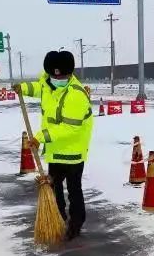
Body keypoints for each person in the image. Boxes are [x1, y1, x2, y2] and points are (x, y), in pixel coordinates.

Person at [12, 50, 94, 240]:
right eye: (54, 75)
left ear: (69, 74)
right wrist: (22, 88)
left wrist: (41, 137)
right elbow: (38, 88)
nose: (58, 78)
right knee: (54, 188)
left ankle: (75, 224)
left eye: (62, 76)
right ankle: (57, 218)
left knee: (74, 190)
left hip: (73, 151)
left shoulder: (76, 94)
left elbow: (69, 128)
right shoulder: (47, 83)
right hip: (55, 151)